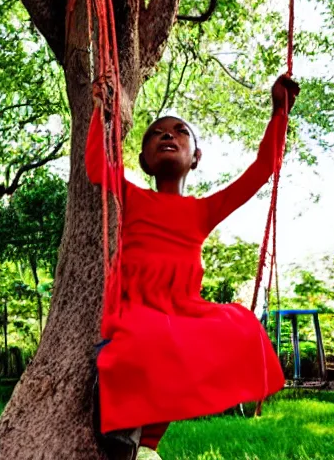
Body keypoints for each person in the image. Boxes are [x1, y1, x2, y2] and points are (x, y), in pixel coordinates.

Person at [87, 75, 300, 459]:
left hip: (181, 306)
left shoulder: (203, 210)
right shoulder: (132, 196)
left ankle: (146, 444)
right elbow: (96, 168)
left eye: (180, 131)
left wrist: (279, 113)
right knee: (140, 342)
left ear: (195, 156)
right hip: (136, 302)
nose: (168, 135)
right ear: (143, 160)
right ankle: (125, 429)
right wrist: (101, 114)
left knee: (240, 328)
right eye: (157, 133)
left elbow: (263, 168)